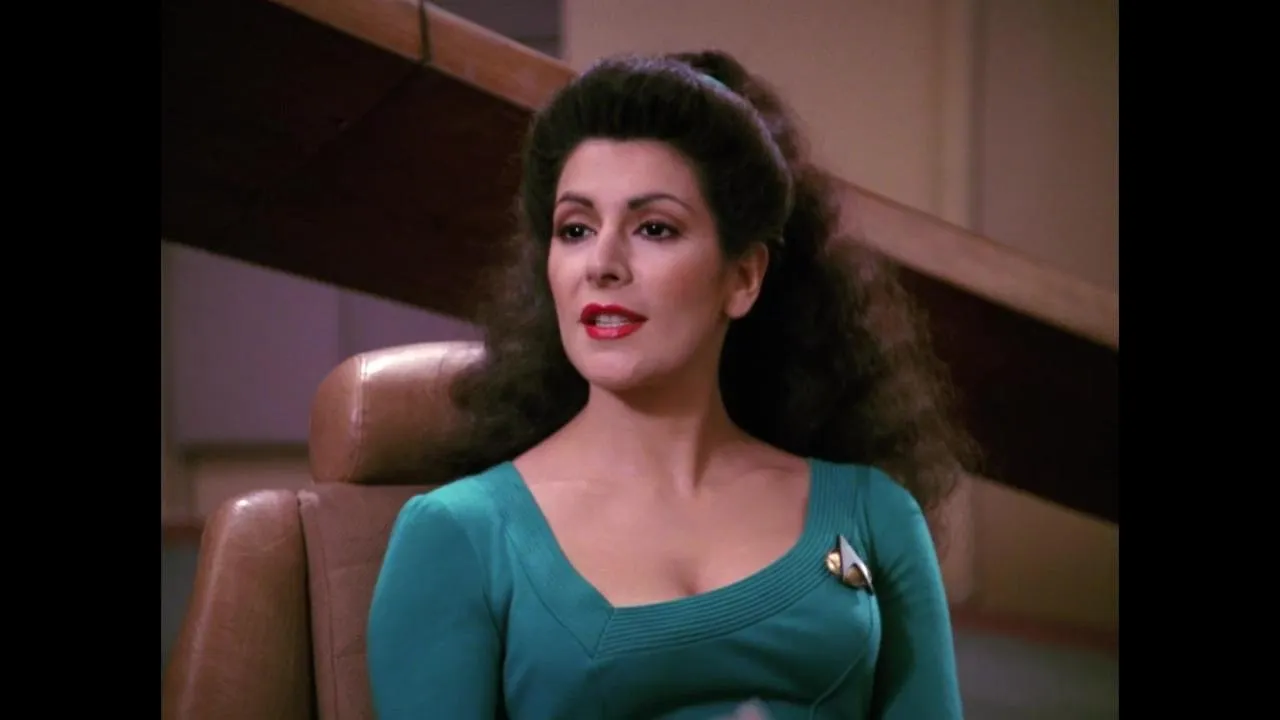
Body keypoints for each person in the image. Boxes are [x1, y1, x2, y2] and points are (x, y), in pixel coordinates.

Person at [367, 49, 977, 720]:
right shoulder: (460, 535)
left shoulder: (874, 514)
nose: (602, 263)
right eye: (576, 229)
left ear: (743, 277)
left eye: (654, 228)